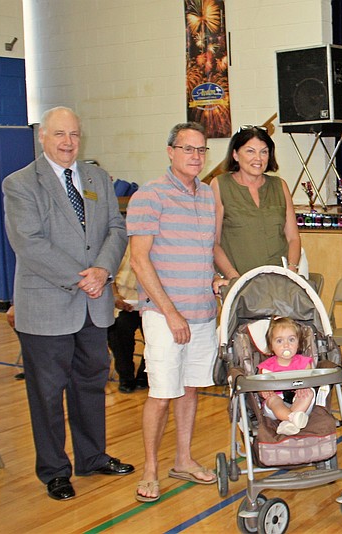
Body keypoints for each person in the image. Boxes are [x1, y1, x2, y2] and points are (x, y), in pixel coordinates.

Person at [3, 106, 133, 501]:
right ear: (42, 136)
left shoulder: (96, 177)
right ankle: (54, 470)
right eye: (59, 134)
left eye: (74, 134)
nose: (67, 142)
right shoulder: (21, 183)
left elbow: (116, 227)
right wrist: (85, 277)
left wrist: (104, 271)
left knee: (91, 383)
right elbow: (30, 243)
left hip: (93, 306)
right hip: (47, 306)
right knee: (46, 393)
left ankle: (92, 457)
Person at [126, 122, 228, 502]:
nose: (196, 156)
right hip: (164, 315)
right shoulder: (149, 196)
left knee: (190, 389)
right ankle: (151, 470)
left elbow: (203, 253)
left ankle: (182, 459)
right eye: (188, 149)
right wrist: (170, 313)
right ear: (170, 151)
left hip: (202, 312)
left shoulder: (206, 196)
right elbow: (139, 261)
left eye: (201, 150)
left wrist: (217, 279)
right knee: (161, 391)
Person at [212, 126, 302, 279]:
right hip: (238, 282)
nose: (258, 158)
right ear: (235, 154)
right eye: (250, 151)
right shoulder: (220, 185)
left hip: (280, 281)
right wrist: (233, 277)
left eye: (264, 152)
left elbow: (293, 238)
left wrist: (291, 271)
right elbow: (214, 242)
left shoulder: (280, 185)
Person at [257, 317, 316, 436]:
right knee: (273, 399)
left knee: (309, 392)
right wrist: (264, 390)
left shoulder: (304, 363)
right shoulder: (266, 367)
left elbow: (310, 380)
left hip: (300, 403)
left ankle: (288, 423)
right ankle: (292, 418)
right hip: (276, 406)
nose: (286, 345)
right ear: (271, 345)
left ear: (298, 343)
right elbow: (259, 386)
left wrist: (304, 386)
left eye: (291, 340)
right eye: (279, 341)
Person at [108, 247, 146, 393]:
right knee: (117, 330)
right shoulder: (121, 241)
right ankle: (126, 375)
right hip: (124, 300)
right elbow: (108, 272)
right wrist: (116, 296)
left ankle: (145, 374)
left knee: (157, 334)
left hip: (152, 301)